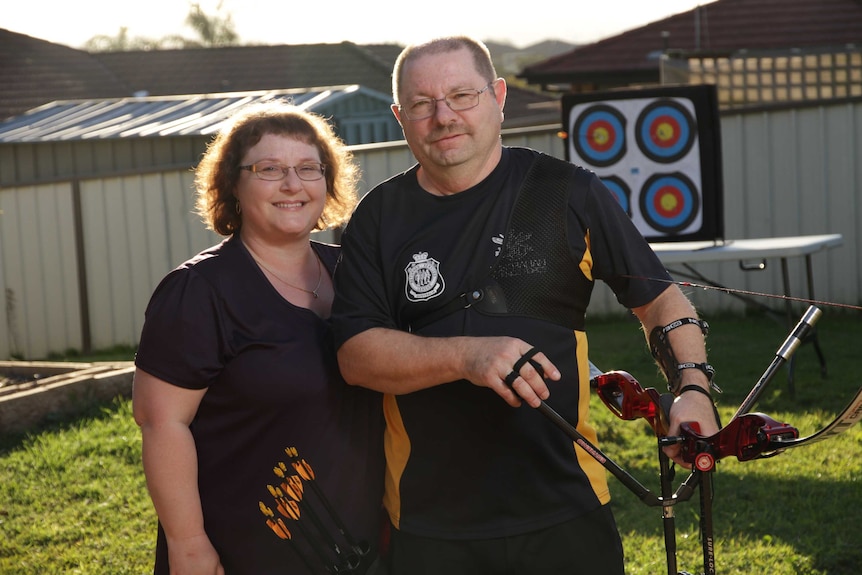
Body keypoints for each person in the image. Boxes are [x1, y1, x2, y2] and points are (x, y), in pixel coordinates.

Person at [330, 36, 721, 574]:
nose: (443, 117)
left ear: (498, 95)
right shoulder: (377, 217)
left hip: (566, 505)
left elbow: (659, 301)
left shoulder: (567, 191)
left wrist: (693, 392)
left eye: (462, 95)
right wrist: (467, 356)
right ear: (400, 116)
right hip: (430, 523)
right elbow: (356, 355)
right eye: (422, 104)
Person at [132, 101, 385, 575]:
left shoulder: (355, 275)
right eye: (269, 169)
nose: (293, 184)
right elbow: (161, 422)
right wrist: (188, 545)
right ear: (233, 182)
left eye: (309, 168)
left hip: (359, 547)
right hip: (246, 549)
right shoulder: (200, 291)